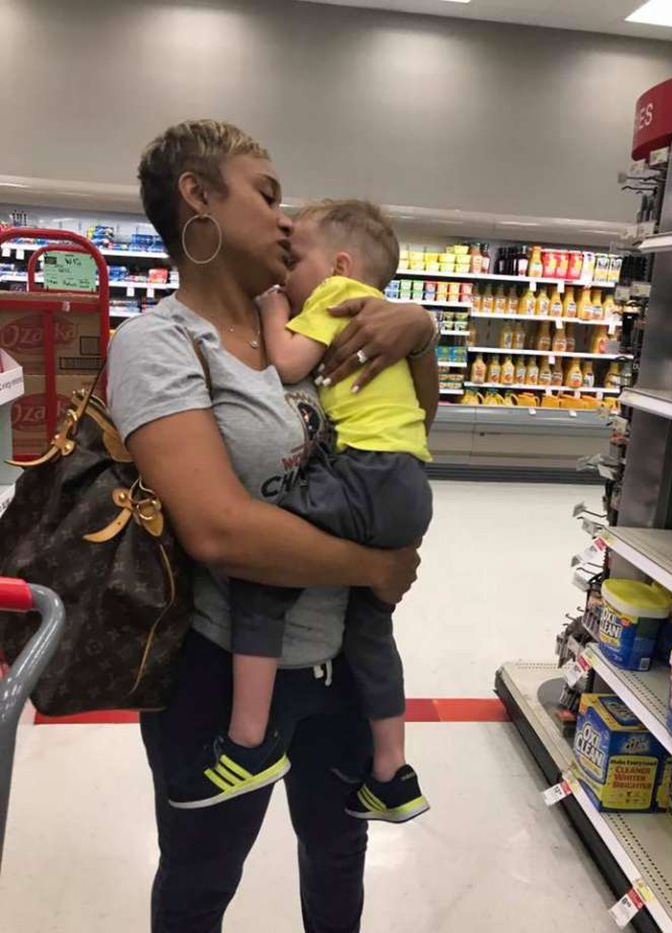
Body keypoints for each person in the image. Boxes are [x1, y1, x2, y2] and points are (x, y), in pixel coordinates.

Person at [107, 119, 438, 932]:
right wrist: (371, 568)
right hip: (223, 673)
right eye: (267, 194)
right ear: (198, 196)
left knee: (337, 860)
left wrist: (419, 329)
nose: (287, 220)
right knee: (202, 873)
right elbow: (221, 530)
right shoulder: (158, 344)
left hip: (340, 668)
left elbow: (408, 418)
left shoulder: (310, 327)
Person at [168, 199, 437, 824]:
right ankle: (392, 775)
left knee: (264, 569)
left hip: (365, 474)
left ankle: (248, 742)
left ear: (339, 264)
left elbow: (290, 362)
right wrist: (375, 567)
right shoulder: (372, 309)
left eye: (296, 260)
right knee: (373, 631)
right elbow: (422, 417)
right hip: (407, 483)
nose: (287, 271)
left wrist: (272, 309)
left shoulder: (335, 299)